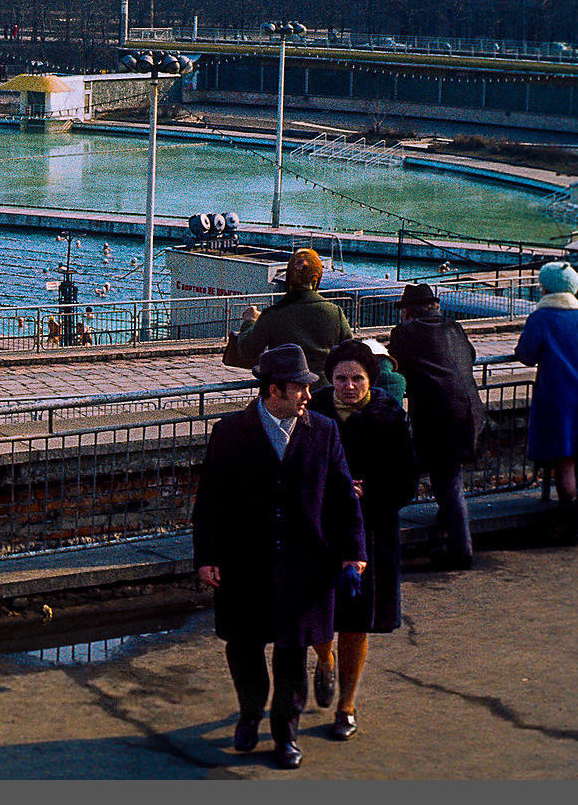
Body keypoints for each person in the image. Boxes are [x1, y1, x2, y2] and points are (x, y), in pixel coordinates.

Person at [193, 344, 367, 770]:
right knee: (244, 646)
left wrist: (354, 552)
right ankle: (251, 714)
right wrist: (207, 557)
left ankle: (285, 734)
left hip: (306, 564)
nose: (309, 395)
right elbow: (211, 500)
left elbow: (344, 496)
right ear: (274, 391)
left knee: (293, 650)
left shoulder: (323, 431)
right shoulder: (230, 432)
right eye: (300, 389)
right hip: (243, 561)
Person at [309, 340, 417, 742]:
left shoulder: (389, 415)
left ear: (371, 378)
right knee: (315, 610)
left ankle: (347, 705)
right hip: (319, 527)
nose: (349, 386)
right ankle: (324, 658)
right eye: (341, 378)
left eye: (357, 378)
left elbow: (407, 481)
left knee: (357, 621)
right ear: (330, 379)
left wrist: (368, 490)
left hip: (371, 530)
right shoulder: (313, 411)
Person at [387, 284, 483, 568]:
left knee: (446, 480)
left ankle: (461, 551)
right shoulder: (454, 327)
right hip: (470, 410)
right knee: (449, 478)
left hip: (438, 415)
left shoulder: (404, 333)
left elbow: (395, 365)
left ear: (407, 312)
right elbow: (472, 356)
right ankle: (447, 530)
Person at [514, 261, 578, 545]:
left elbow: (526, 354)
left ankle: (570, 526)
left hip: (559, 393)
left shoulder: (542, 317)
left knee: (563, 459)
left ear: (546, 287)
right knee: (572, 454)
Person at [235, 248, 353, 376]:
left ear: (289, 277)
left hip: (284, 389)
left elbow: (247, 351)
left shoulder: (273, 314)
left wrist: (250, 321)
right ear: (317, 278)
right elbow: (349, 351)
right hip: (323, 388)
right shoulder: (335, 312)